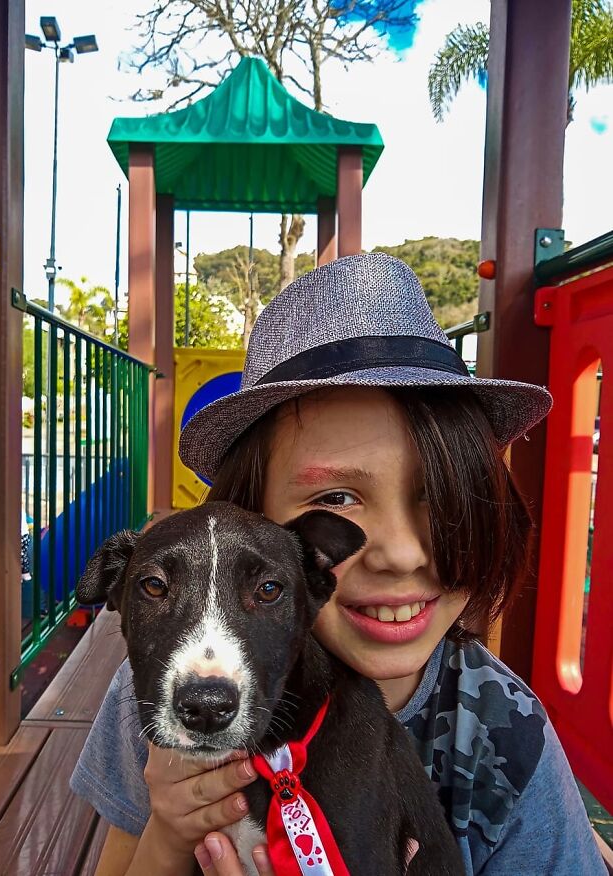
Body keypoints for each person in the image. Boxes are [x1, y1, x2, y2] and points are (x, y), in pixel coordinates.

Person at [70, 254, 607, 876]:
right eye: (336, 499)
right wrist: (168, 829)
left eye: (442, 497)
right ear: (254, 523)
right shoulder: (180, 682)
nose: (403, 552)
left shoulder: (500, 729)